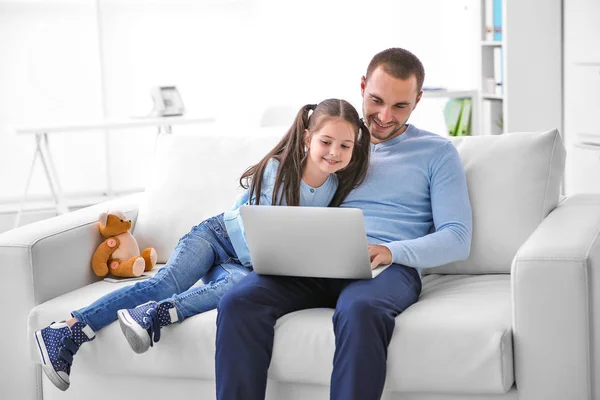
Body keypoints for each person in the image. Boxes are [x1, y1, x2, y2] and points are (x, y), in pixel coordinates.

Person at [34, 98, 371, 392]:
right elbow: (261, 236)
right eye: (327, 141)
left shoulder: (331, 189)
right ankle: (69, 329)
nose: (334, 153)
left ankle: (158, 313)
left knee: (240, 286)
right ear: (308, 138)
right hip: (215, 238)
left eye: (345, 146)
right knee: (166, 282)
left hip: (243, 264)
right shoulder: (277, 170)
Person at [214, 48, 473, 400]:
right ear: (363, 86)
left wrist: (389, 251)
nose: (384, 116)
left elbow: (457, 238)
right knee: (238, 302)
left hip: (387, 267)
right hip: (314, 261)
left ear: (418, 100)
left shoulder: (437, 153)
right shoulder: (337, 143)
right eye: (376, 100)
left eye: (400, 106)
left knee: (360, 309)